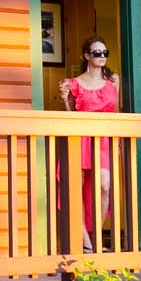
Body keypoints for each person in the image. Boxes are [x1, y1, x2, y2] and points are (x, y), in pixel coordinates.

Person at [58, 36, 118, 252]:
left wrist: (116, 142)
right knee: (77, 187)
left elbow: (116, 113)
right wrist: (65, 98)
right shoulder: (74, 83)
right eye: (97, 53)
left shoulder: (113, 82)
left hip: (103, 140)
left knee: (104, 186)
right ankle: (86, 241)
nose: (102, 57)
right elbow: (70, 115)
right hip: (81, 138)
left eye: (105, 53)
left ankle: (96, 234)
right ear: (86, 56)